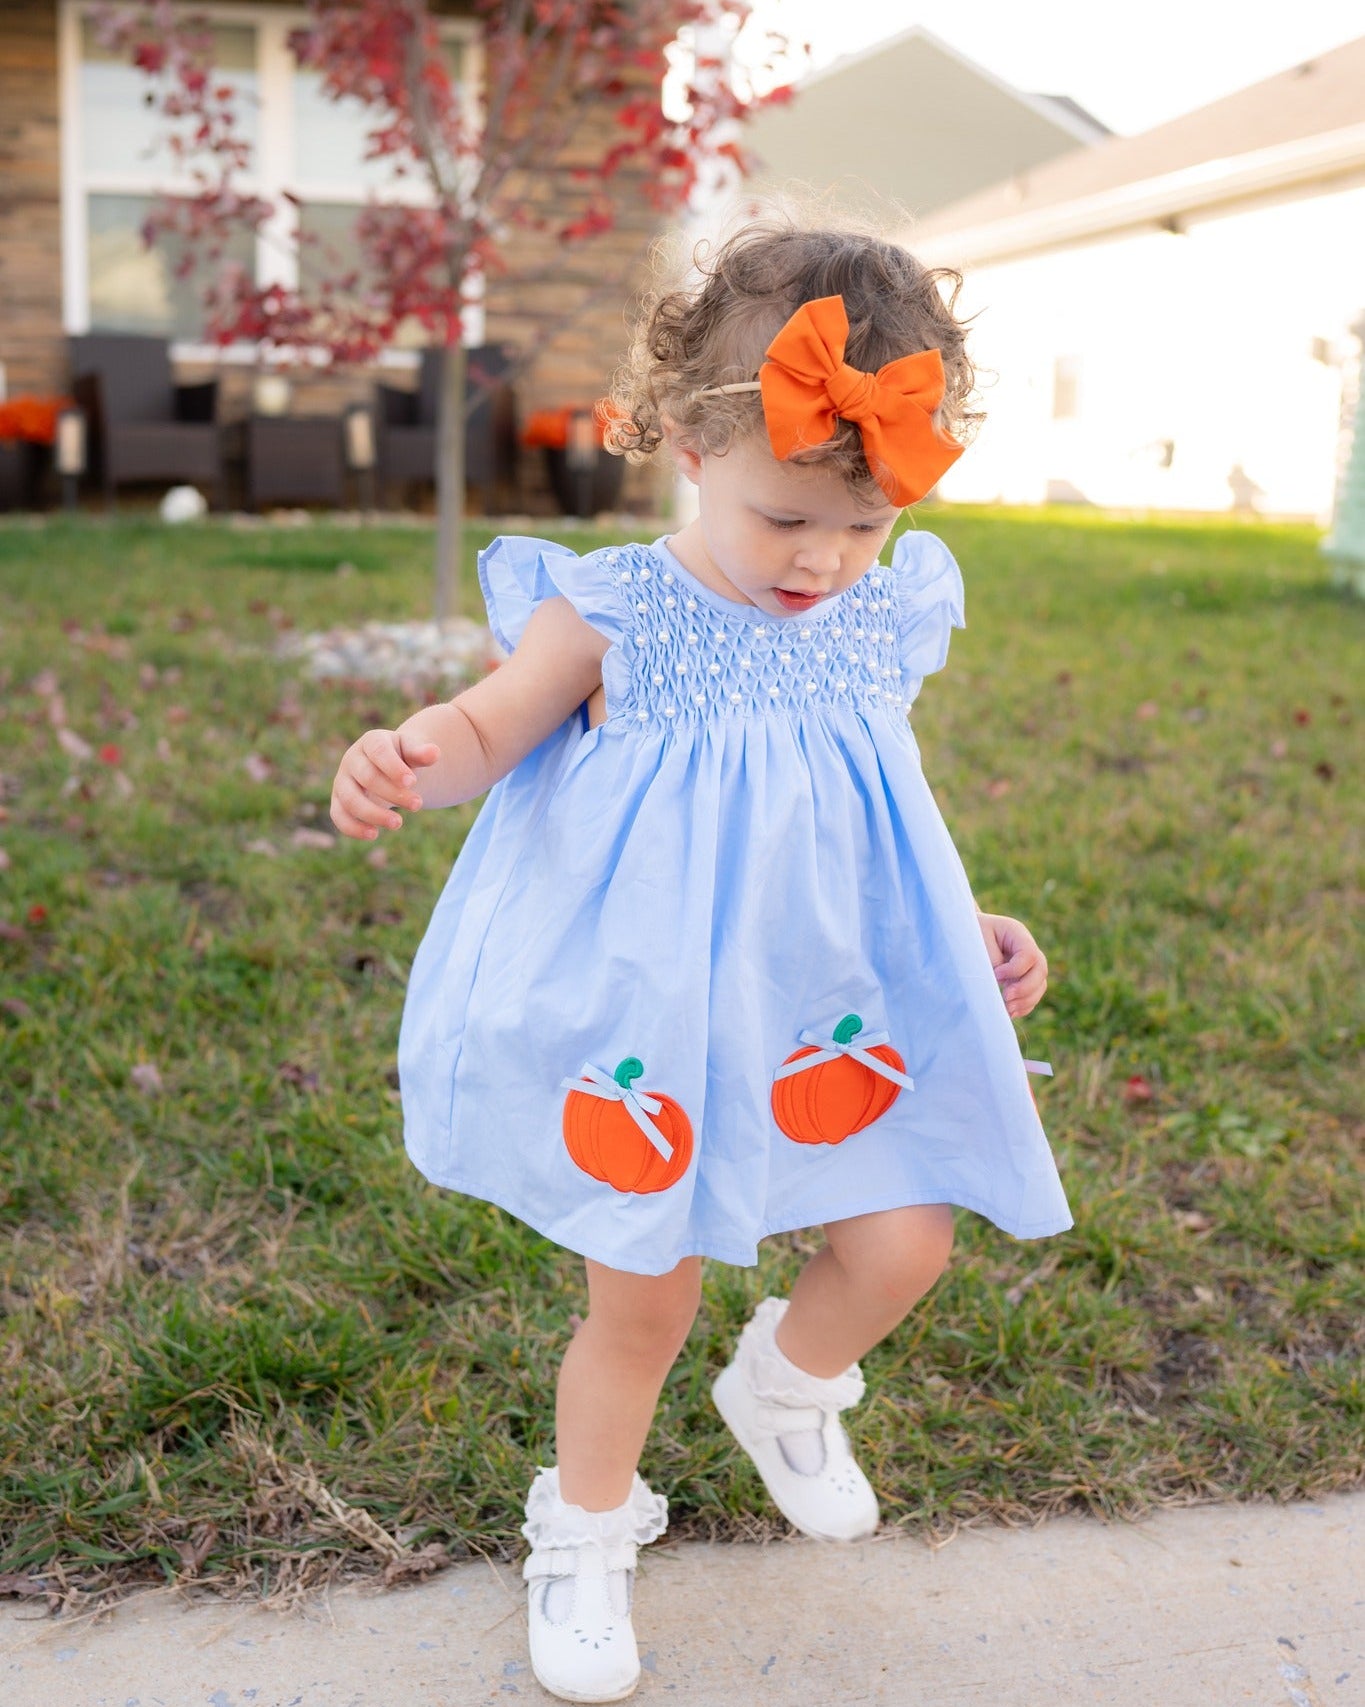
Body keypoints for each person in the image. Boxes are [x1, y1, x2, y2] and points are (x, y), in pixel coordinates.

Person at [330, 215, 1071, 1705]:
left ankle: (788, 1383)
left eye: (860, 527)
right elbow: (489, 729)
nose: (823, 560)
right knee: (643, 1293)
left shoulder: (882, 609)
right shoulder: (614, 613)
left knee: (902, 1242)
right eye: (787, 518)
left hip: (827, 1000)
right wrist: (414, 752)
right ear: (684, 440)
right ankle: (587, 1533)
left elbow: (879, 810)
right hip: (656, 1006)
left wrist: (966, 921)